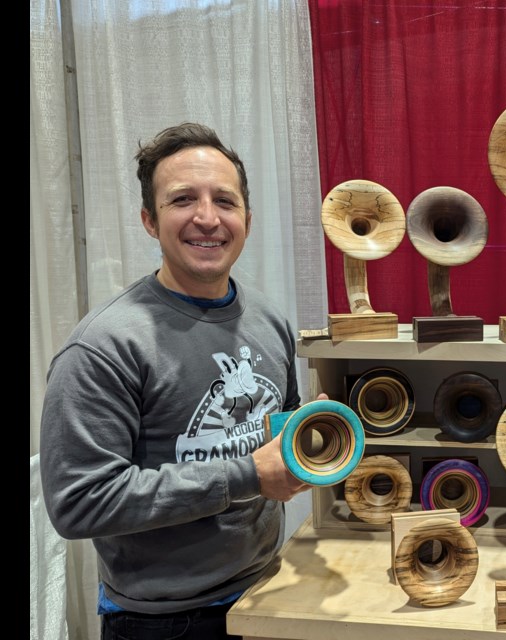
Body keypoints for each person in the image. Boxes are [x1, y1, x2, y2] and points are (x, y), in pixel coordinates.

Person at [39, 122, 319, 639]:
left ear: (248, 220)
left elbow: (276, 440)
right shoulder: (103, 346)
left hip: (267, 589)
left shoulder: (269, 319)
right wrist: (247, 475)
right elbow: (78, 502)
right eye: (183, 199)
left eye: (225, 201)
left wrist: (311, 445)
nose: (207, 218)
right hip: (164, 622)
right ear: (150, 220)